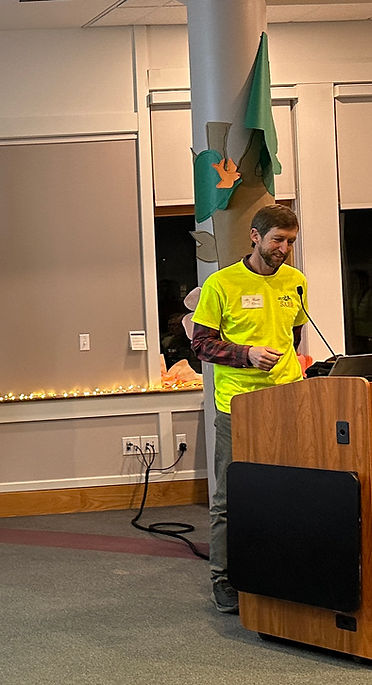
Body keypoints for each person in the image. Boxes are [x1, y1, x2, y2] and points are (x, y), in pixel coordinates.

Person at [190, 204, 308, 615]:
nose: (285, 248)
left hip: (290, 399)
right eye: (278, 239)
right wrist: (246, 354)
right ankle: (223, 580)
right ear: (255, 237)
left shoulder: (296, 281)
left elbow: (290, 336)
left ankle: (280, 573)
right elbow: (201, 345)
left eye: (290, 241)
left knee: (288, 490)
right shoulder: (222, 284)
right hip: (238, 405)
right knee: (230, 496)